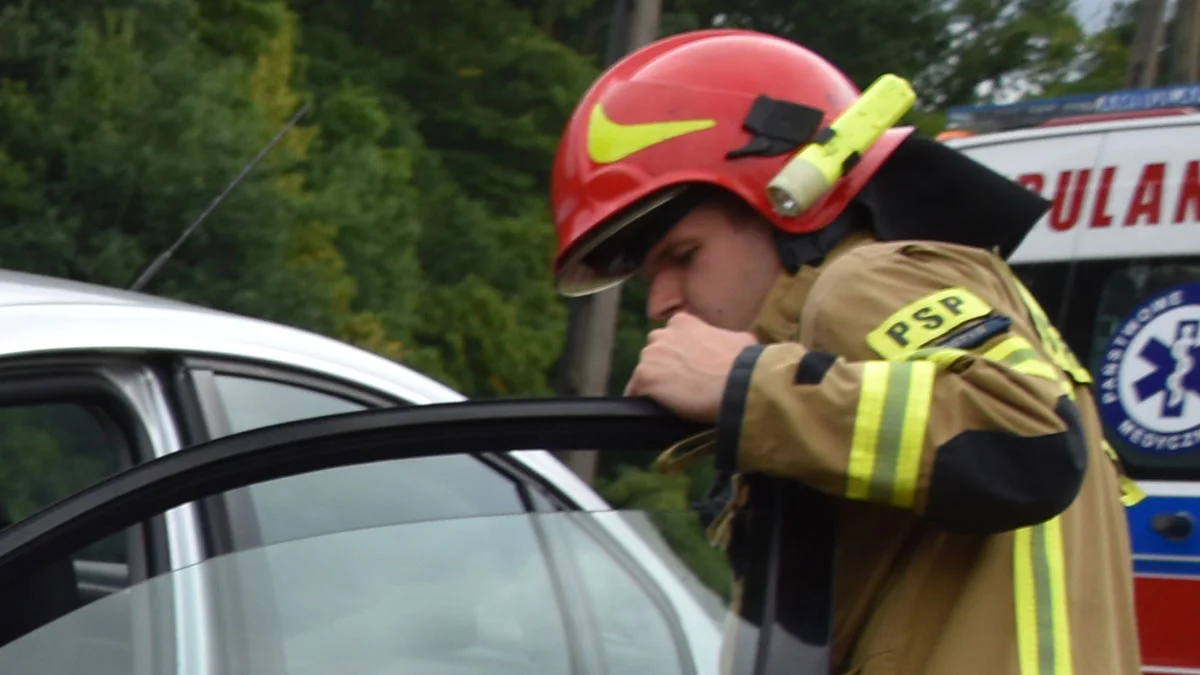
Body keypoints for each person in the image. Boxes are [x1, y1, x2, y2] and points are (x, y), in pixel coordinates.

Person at [547, 28, 1142, 675]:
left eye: (684, 256)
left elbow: (1030, 440)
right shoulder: (840, 345)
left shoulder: (860, 281)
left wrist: (745, 383)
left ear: (785, 206)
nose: (661, 302)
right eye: (645, 279)